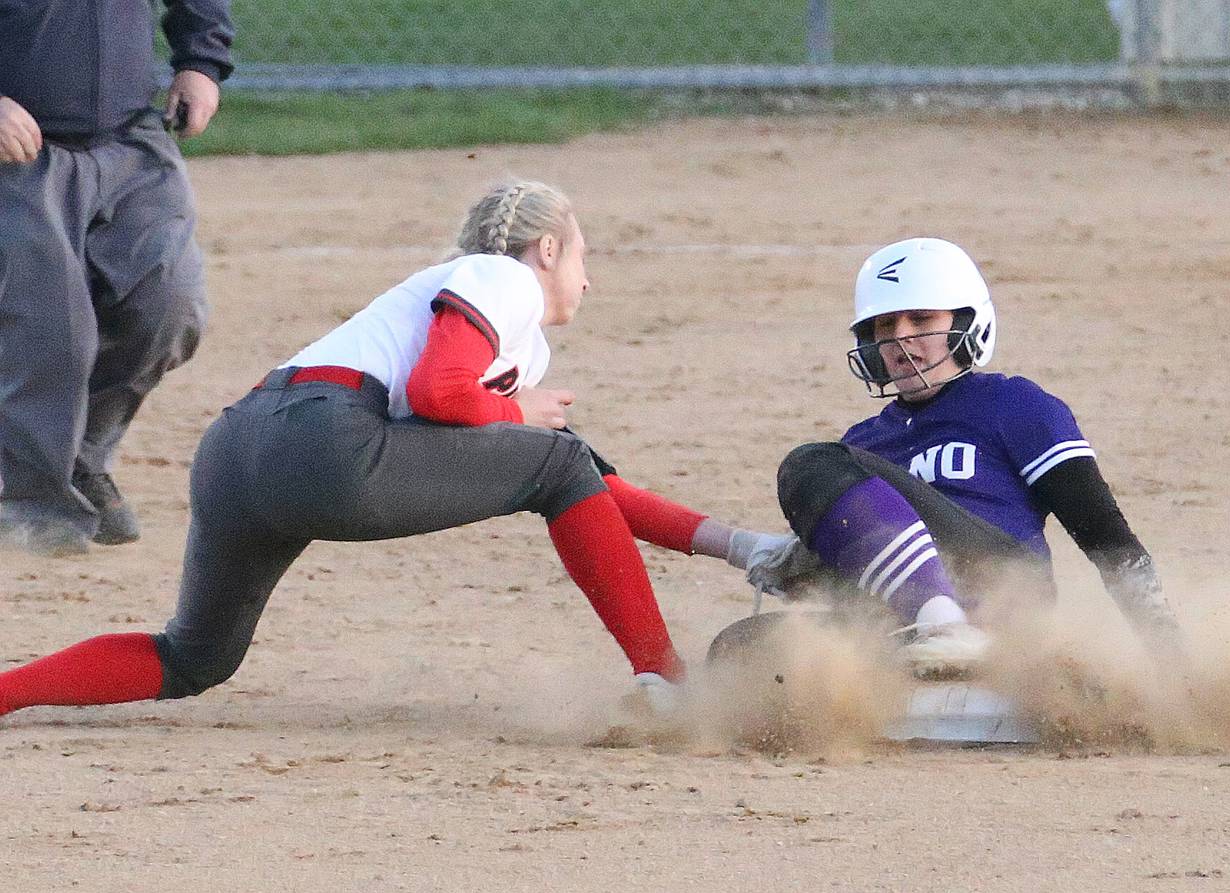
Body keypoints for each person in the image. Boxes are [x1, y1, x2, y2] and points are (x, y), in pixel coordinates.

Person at [0, 180, 786, 720]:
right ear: (545, 248)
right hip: (327, 438)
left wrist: (742, 547)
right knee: (555, 462)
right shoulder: (498, 277)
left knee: (194, 656)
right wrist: (509, 409)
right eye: (584, 255)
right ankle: (667, 680)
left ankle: (6, 692)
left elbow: (590, 486)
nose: (590, 279)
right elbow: (446, 393)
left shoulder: (508, 346)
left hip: (238, 449)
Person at [749, 237, 1183, 671]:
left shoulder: (1011, 403)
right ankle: (921, 670)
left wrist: (1167, 652)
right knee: (744, 649)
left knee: (812, 463)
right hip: (899, 626)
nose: (900, 338)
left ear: (967, 325)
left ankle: (957, 634)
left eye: (920, 319)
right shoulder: (862, 445)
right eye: (884, 326)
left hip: (1002, 593)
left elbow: (1106, 535)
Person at [0, 0, 234, 557]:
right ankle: (29, 504)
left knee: (168, 307)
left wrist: (200, 61)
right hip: (18, 154)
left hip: (130, 140)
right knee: (51, 331)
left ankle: (79, 458)